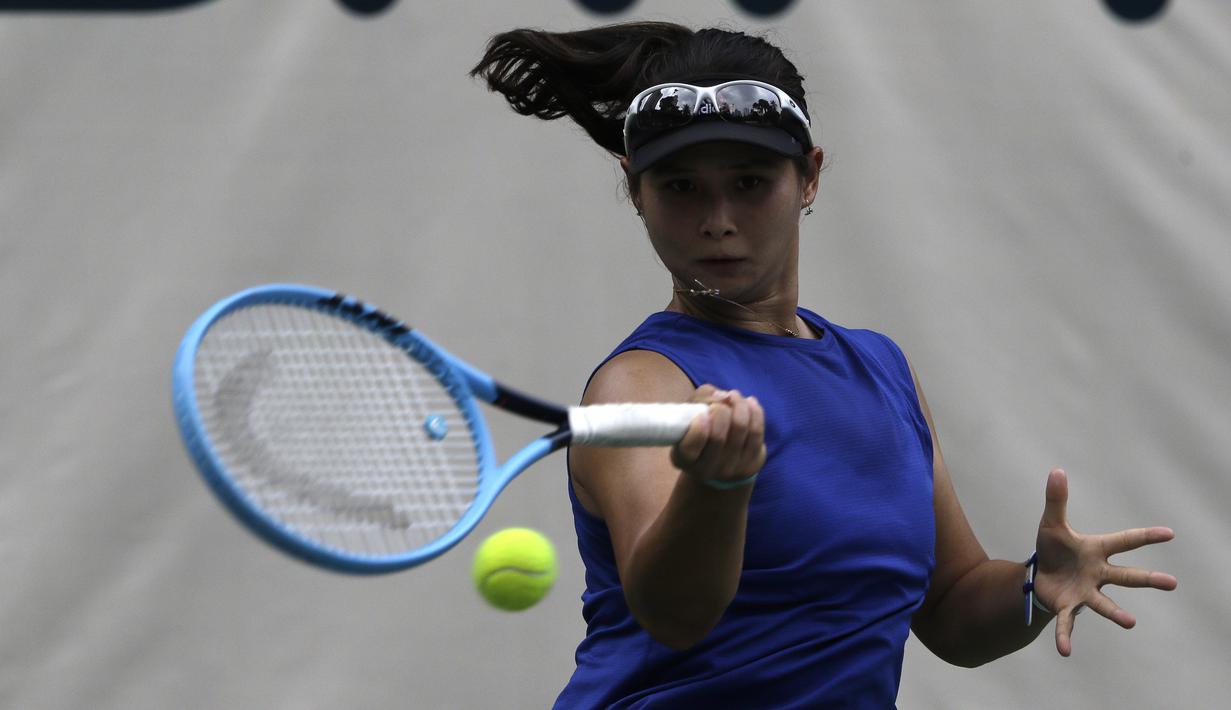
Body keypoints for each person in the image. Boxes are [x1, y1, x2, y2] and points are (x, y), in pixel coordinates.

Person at [471, 22, 1177, 708]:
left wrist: (1034, 586)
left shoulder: (881, 367)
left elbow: (952, 606)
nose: (717, 219)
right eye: (681, 187)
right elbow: (675, 617)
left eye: (750, 182)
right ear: (636, 191)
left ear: (808, 176)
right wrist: (716, 488)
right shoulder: (641, 385)